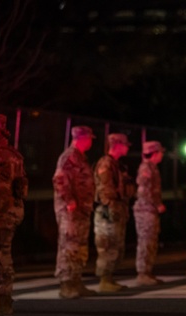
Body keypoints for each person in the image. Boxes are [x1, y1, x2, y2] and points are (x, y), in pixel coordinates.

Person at [0, 114, 27, 316]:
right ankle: (2, 302)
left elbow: (1, 192)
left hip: (0, 214)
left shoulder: (0, 154)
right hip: (2, 212)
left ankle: (3, 303)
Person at [53, 126, 97, 298]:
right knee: (69, 246)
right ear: (83, 138)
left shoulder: (80, 157)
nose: (91, 142)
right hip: (70, 211)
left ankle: (76, 282)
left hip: (81, 210)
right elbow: (59, 179)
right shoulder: (69, 157)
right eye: (90, 138)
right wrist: (69, 200)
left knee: (79, 246)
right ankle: (67, 284)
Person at [93, 133, 134, 293]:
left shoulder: (117, 165)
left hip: (116, 211)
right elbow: (105, 189)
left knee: (115, 246)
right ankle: (105, 280)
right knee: (107, 245)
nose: (127, 148)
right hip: (108, 213)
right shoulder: (106, 163)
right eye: (125, 145)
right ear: (117, 145)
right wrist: (111, 207)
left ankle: (109, 278)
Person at [133, 141, 166, 286]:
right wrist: (157, 204)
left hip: (149, 210)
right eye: (160, 153)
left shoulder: (152, 168)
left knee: (150, 242)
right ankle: (143, 273)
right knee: (146, 242)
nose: (162, 155)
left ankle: (147, 272)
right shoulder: (146, 168)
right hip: (146, 210)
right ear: (155, 153)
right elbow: (144, 190)